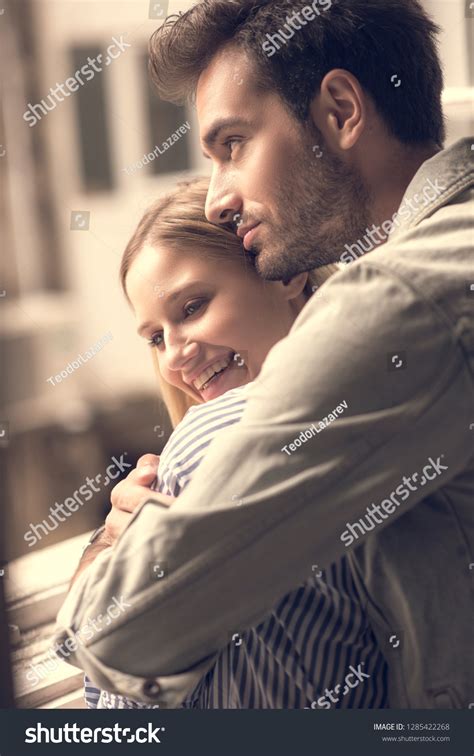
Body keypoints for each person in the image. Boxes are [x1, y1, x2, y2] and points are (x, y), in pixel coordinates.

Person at [55, 0, 473, 708]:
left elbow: (123, 628)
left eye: (232, 144)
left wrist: (105, 554)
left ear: (341, 110)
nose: (217, 196)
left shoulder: (399, 302)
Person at [83, 177, 387, 709]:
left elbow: (119, 717)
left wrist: (107, 564)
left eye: (192, 307)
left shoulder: (208, 442)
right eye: (156, 338)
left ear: (285, 273)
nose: (174, 356)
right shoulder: (379, 385)